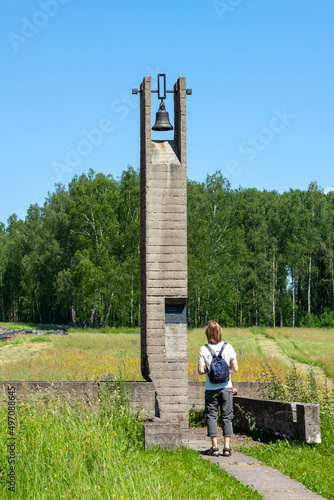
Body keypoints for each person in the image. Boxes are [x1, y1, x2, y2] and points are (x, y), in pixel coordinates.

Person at [198, 320, 238, 457]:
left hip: (211, 389)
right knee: (227, 416)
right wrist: (225, 372)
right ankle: (226, 448)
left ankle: (214, 448)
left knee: (212, 416)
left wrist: (210, 372)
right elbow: (235, 369)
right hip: (226, 387)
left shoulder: (204, 349)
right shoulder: (229, 347)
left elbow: (200, 370)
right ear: (220, 332)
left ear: (207, 333)